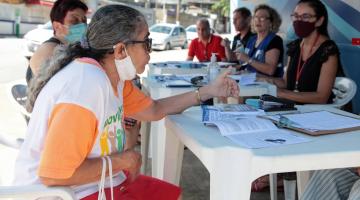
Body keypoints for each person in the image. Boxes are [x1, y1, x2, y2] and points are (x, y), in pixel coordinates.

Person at [14, 4, 239, 200]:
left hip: (96, 182)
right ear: (121, 50)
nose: (150, 52)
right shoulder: (85, 86)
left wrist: (208, 91)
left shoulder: (114, 77)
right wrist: (122, 161)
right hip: (61, 193)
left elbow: (155, 109)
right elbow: (55, 173)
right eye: (146, 43)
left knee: (171, 193)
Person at [260, 0, 343, 104]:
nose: (299, 21)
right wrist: (261, 80)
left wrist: (281, 93)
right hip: (293, 108)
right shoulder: (295, 46)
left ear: (319, 21)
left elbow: (321, 97)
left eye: (305, 17)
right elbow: (286, 82)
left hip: (318, 113)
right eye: (296, 16)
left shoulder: (328, 50)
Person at [26, 0, 88, 83]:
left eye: (84, 21)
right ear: (57, 26)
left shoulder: (71, 46)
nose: (82, 25)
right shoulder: (49, 50)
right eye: (74, 21)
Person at [236, 4, 284, 77]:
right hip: (249, 81)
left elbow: (270, 70)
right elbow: (246, 63)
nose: (258, 21)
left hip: (266, 85)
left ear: (271, 22)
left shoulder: (275, 40)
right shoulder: (252, 39)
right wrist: (237, 68)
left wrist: (248, 59)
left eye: (262, 18)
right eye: (256, 17)